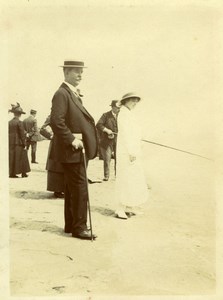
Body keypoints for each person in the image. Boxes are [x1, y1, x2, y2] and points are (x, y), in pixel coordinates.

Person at [50, 59, 98, 240]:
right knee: (80, 188)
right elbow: (57, 121)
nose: (80, 75)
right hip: (73, 150)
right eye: (76, 71)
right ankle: (80, 228)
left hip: (76, 151)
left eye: (81, 72)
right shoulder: (62, 93)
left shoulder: (72, 93)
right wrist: (71, 140)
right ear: (66, 72)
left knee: (72, 189)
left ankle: (71, 225)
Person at [115, 92, 148, 219]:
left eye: (136, 101)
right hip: (126, 152)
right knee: (124, 179)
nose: (135, 103)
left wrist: (139, 143)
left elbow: (135, 132)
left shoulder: (129, 113)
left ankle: (129, 207)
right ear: (126, 101)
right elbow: (125, 134)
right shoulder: (123, 114)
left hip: (133, 151)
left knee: (133, 179)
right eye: (133, 100)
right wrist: (131, 151)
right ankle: (120, 208)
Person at [40, 115, 64, 198]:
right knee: (55, 165)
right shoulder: (51, 116)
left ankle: (63, 189)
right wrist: (50, 136)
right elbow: (42, 129)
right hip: (56, 144)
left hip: (66, 142)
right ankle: (57, 190)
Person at [96, 100, 119, 181]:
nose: (118, 109)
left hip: (118, 141)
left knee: (118, 158)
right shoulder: (105, 115)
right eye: (116, 108)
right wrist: (107, 130)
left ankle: (118, 176)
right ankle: (106, 176)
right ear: (112, 107)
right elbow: (98, 125)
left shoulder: (121, 116)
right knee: (107, 159)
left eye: (119, 108)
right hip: (106, 141)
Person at [8, 103, 30, 178]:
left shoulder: (9, 122)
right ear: (20, 114)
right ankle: (23, 173)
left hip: (10, 142)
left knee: (12, 157)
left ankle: (11, 173)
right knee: (22, 156)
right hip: (19, 142)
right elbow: (22, 134)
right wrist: (24, 143)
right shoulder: (19, 122)